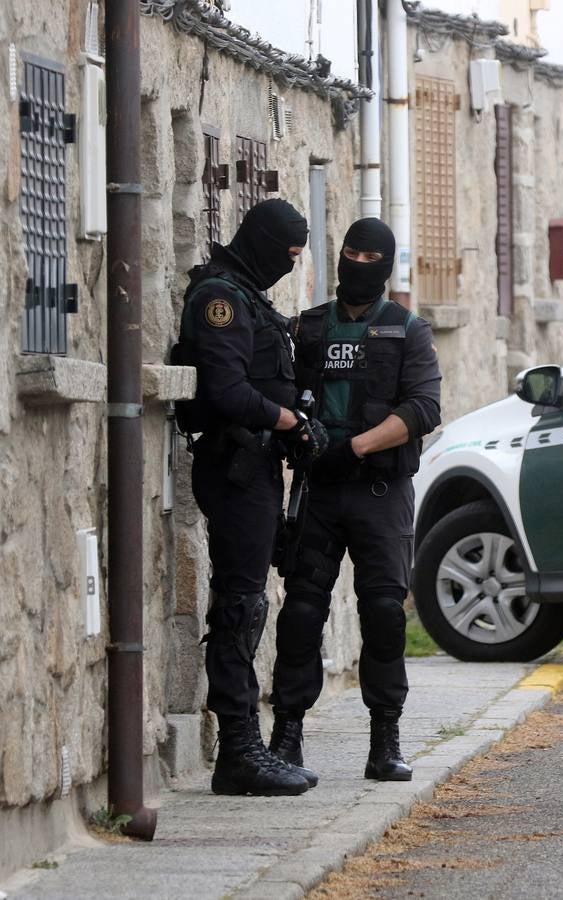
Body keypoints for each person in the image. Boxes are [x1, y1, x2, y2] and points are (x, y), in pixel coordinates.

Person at [268, 217, 442, 783]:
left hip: (379, 491)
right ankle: (287, 735)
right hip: (319, 492)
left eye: (371, 259)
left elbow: (423, 411)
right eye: (350, 254)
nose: (359, 266)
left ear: (387, 265)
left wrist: (357, 447)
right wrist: (303, 436)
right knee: (300, 613)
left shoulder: (407, 331)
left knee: (386, 615)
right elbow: (283, 394)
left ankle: (385, 741)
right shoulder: (310, 329)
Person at [179, 198, 327, 796]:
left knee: (251, 604)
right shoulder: (219, 299)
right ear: (262, 242)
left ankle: (248, 744)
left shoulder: (249, 296)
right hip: (235, 466)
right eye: (287, 255)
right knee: (239, 607)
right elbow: (227, 389)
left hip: (258, 467)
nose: (290, 266)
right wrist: (288, 419)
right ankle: (237, 750)